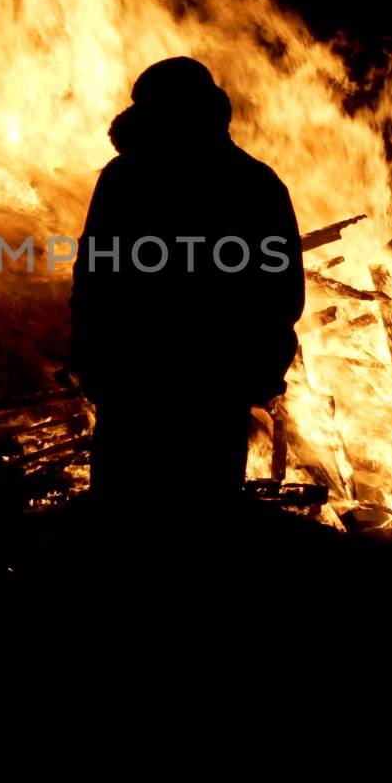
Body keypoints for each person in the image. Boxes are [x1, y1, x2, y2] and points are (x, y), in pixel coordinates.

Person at [70, 56, 305, 511]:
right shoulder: (253, 183)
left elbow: (94, 280)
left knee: (132, 517)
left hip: (154, 383)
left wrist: (92, 359)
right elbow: (280, 294)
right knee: (199, 519)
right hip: (195, 387)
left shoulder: (127, 179)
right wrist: (259, 370)